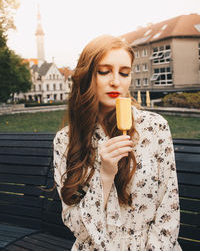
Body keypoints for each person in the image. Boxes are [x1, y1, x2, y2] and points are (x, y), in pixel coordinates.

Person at [53, 35, 181, 250]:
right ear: (86, 76)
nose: (116, 81)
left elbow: (169, 209)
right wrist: (105, 175)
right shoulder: (65, 140)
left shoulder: (155, 127)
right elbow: (75, 225)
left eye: (124, 73)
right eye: (104, 71)